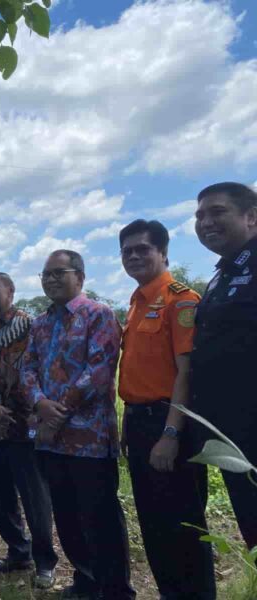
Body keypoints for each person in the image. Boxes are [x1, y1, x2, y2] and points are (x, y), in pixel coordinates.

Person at [21, 250, 135, 600]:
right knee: (67, 516)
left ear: (80, 277)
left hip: (90, 440)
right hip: (50, 440)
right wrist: (40, 403)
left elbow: (99, 371)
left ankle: (115, 591)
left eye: (59, 273)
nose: (51, 279)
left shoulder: (99, 315)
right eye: (46, 274)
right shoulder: (40, 323)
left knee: (100, 518)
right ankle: (86, 582)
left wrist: (57, 413)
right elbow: (27, 368)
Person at [117, 220, 215, 599]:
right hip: (139, 423)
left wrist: (171, 434)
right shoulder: (136, 303)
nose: (134, 256)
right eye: (127, 251)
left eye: (143, 249)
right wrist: (127, 425)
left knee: (184, 526)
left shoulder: (181, 300)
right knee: (154, 524)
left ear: (163, 252)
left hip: (170, 424)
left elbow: (186, 373)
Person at [0, 272, 57, 589]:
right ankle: (18, 552)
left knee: (34, 497)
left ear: (11, 290)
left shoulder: (31, 327)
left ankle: (45, 561)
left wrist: (9, 411)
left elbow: (40, 373)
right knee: (0, 495)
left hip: (23, 426)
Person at [191, 182, 257, 549]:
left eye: (217, 212)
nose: (205, 222)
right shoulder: (221, 275)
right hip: (234, 437)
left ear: (252, 217)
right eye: (199, 215)